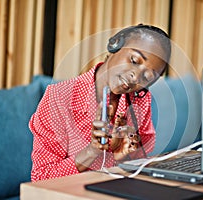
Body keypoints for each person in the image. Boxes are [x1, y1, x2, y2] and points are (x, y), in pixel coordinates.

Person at [29, 24, 171, 181]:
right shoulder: (58, 98)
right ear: (115, 44)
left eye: (147, 77)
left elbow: (139, 165)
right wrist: (91, 152)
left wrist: (124, 155)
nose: (136, 77)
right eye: (134, 60)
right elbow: (41, 178)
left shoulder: (140, 101)